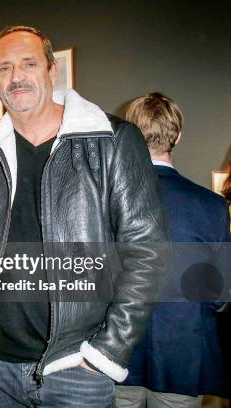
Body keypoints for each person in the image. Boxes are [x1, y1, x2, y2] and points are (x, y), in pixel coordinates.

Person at [0, 26, 169, 407]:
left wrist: (104, 353)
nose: (16, 77)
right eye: (4, 68)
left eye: (28, 64)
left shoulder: (112, 140)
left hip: (76, 367)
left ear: (51, 71)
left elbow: (148, 252)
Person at [115, 92, 231, 407]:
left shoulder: (106, 202)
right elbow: (218, 297)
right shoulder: (212, 206)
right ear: (178, 137)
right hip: (182, 360)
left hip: (116, 358)